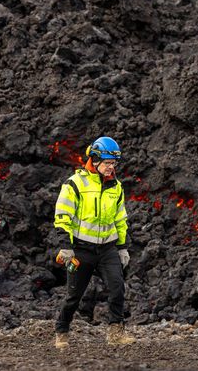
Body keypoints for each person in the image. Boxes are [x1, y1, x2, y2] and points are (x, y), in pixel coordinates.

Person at [53, 136, 135, 348]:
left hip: (108, 249)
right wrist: (65, 246)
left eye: (114, 164)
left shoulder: (116, 187)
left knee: (117, 287)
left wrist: (123, 247)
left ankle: (115, 332)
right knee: (74, 296)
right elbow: (63, 215)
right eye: (107, 163)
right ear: (95, 160)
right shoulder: (75, 184)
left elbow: (120, 219)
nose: (111, 168)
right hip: (81, 250)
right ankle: (62, 331)